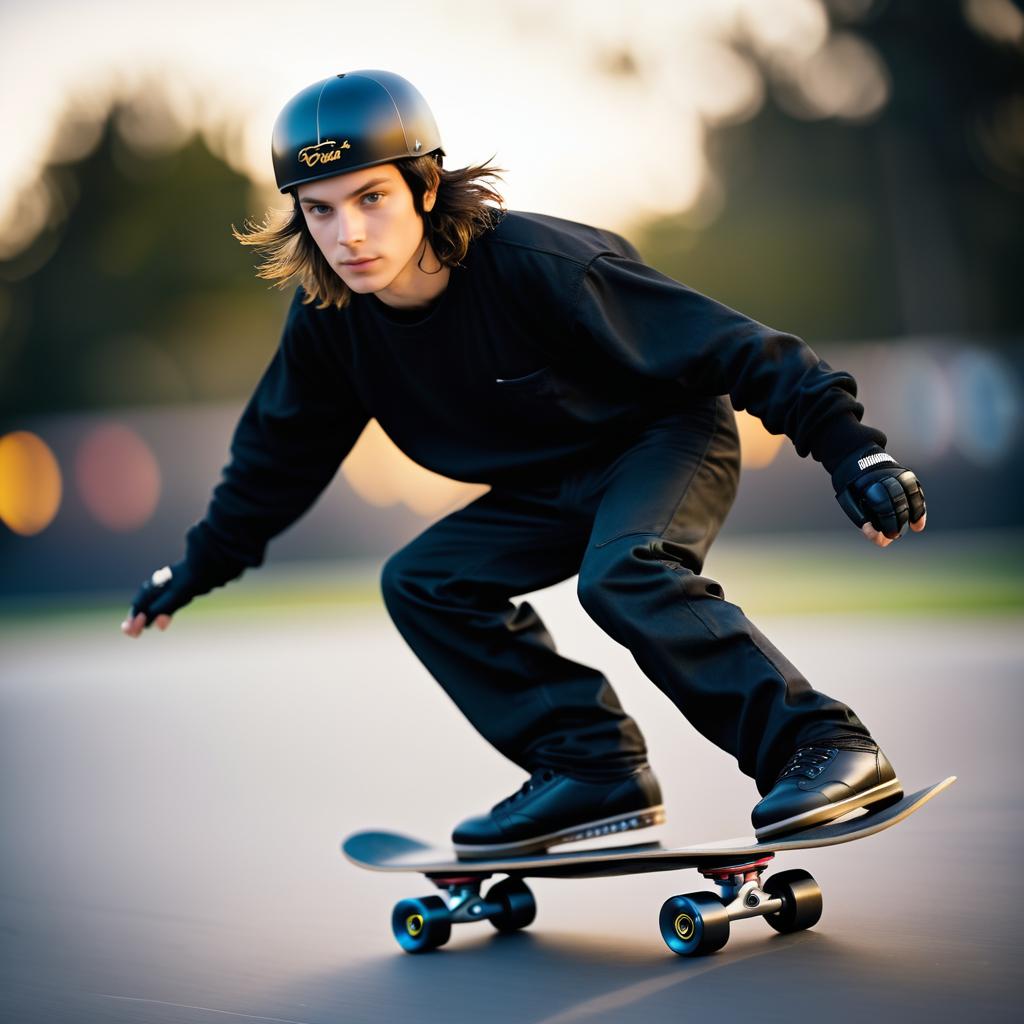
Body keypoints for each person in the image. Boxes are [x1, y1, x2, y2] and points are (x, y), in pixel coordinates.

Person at [122, 70, 927, 857]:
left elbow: (738, 347)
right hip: (547, 485)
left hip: (663, 440)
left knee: (625, 573)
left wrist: (853, 450)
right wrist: (196, 567)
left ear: (425, 187)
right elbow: (275, 458)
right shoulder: (332, 323)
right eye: (321, 211)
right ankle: (591, 766)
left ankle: (825, 746)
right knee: (423, 581)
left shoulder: (540, 264)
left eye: (372, 199)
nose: (349, 236)